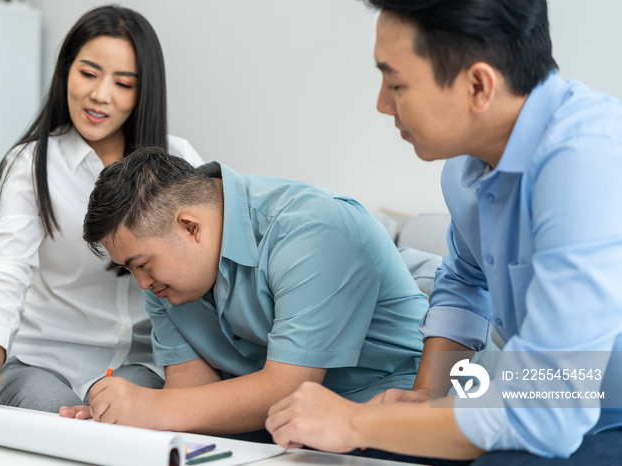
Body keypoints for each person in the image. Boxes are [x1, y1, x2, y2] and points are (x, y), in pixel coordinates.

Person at [265, 1, 622, 464]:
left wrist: (353, 421)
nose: (382, 103)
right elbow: (465, 281)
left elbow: (545, 411)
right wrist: (429, 395)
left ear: (478, 85)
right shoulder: (466, 166)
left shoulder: (584, 161)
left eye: (395, 83)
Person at [0, 5, 204, 413]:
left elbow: (203, 269)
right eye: (88, 73)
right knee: (53, 414)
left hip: (140, 364)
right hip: (41, 364)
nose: (100, 95)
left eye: (123, 82)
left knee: (124, 416)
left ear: (144, 89)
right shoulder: (29, 165)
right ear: (66, 71)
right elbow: (6, 276)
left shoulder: (178, 157)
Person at [76, 147, 428, 437]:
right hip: (277, 427)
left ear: (189, 227)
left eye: (141, 264)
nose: (142, 283)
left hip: (392, 409)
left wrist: (149, 408)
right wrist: (116, 419)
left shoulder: (312, 230)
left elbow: (291, 387)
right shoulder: (166, 278)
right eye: (129, 268)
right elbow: (188, 393)